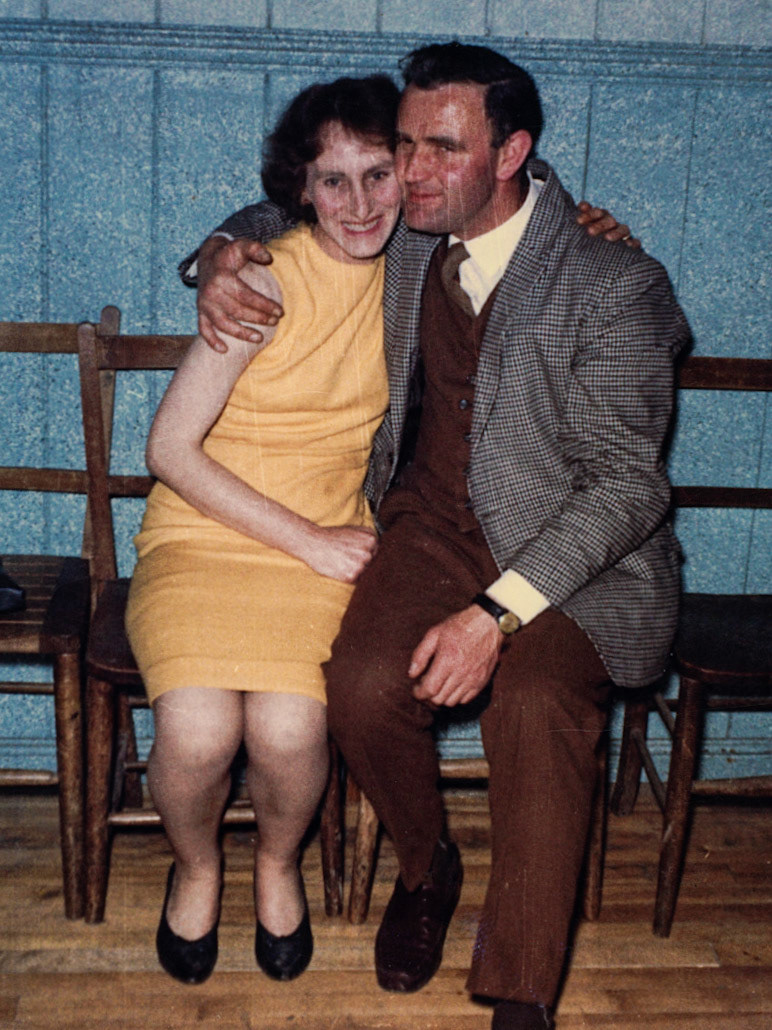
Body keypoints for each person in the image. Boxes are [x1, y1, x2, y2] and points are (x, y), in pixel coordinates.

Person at [184, 45, 684, 1029]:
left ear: (510, 154)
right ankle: (428, 866)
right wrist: (218, 257)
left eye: (438, 149)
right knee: (363, 684)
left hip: (576, 558)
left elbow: (628, 486)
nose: (407, 173)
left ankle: (518, 991)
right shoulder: (410, 238)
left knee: (534, 700)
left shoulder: (613, 279)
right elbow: (286, 211)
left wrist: (494, 616)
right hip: (429, 528)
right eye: (403, 144)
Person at [125, 74, 404, 985]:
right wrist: (311, 541)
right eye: (333, 180)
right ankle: (199, 864)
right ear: (301, 187)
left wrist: (578, 210)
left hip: (318, 554)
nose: (358, 203)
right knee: (199, 732)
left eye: (378, 173)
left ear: (409, 173)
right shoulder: (257, 280)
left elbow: (511, 187)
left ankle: (276, 863)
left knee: (289, 732)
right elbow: (170, 448)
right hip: (204, 537)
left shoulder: (419, 290)